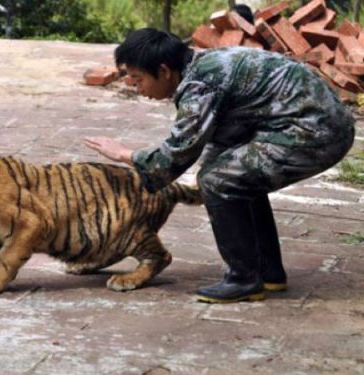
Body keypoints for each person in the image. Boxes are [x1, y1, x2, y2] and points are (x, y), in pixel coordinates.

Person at [84, 28, 355, 303]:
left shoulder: (200, 83)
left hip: (317, 131)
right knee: (233, 176)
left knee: (221, 180)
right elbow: (219, 136)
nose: (135, 87)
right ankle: (268, 273)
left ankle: (243, 279)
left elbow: (177, 153)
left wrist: (124, 154)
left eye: (138, 78)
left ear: (164, 71)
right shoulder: (203, 66)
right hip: (315, 123)